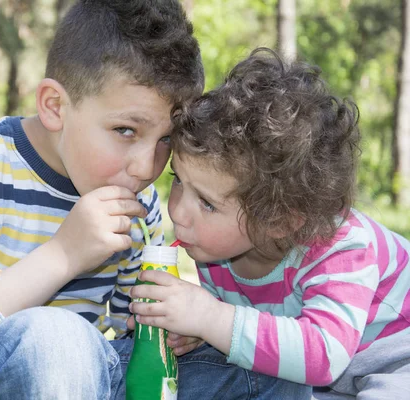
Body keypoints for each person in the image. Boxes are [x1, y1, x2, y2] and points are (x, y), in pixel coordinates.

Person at [0, 0, 206, 399]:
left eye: (166, 139)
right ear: (54, 106)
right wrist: (64, 254)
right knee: (53, 338)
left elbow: (128, 334)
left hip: (85, 379)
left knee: (246, 358)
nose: (146, 167)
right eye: (126, 130)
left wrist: (175, 326)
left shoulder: (139, 201)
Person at [130, 47, 410, 399]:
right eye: (178, 180)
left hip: (399, 360)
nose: (178, 212)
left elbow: (323, 353)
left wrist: (211, 317)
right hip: (335, 382)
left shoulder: (344, 246)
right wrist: (196, 332)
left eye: (207, 203)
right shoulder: (214, 254)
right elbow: (258, 340)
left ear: (279, 221)